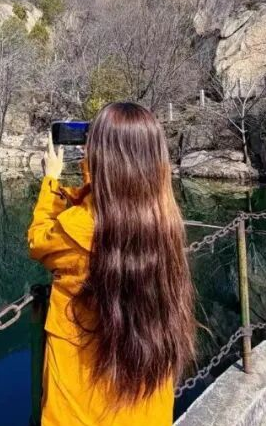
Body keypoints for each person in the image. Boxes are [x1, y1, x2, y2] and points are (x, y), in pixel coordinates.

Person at [28, 102, 196, 426]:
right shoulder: (162, 223)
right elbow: (114, 195)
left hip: (83, 409)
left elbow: (39, 241)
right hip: (147, 408)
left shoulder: (78, 228)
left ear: (100, 156)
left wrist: (51, 181)